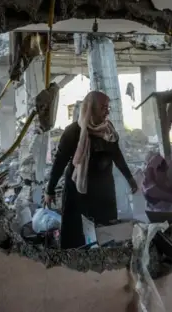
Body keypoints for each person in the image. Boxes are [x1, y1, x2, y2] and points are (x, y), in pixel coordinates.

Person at [44, 91, 138, 249]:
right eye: (103, 108)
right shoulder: (73, 133)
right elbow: (59, 163)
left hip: (104, 189)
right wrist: (50, 190)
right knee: (76, 234)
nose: (107, 111)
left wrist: (130, 178)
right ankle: (74, 266)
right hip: (78, 192)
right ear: (91, 110)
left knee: (107, 232)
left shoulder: (108, 130)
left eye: (108, 107)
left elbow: (117, 155)